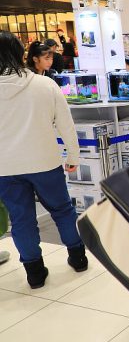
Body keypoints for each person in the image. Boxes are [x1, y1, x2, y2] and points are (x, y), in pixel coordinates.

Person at [0, 31, 88, 289]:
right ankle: (78, 258)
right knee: (62, 210)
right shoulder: (44, 85)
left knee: (21, 219)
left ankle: (35, 272)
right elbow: (66, 124)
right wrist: (73, 155)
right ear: (21, 53)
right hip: (45, 161)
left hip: (6, 167)